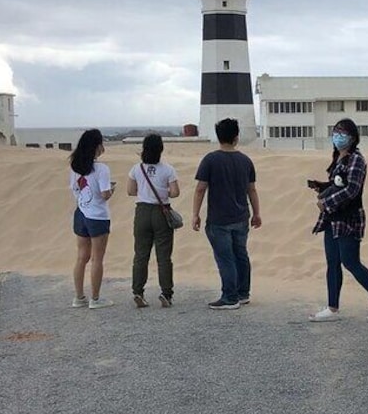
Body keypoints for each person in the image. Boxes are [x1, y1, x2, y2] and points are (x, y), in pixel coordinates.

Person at [308, 118, 368, 323]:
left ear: (353, 138)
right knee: (333, 262)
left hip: (348, 218)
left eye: (342, 133)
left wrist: (326, 202)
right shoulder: (339, 157)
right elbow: (338, 183)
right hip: (332, 219)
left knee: (350, 262)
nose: (338, 136)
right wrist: (322, 188)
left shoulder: (357, 159)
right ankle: (332, 307)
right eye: (335, 132)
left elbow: (352, 190)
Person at [192, 118, 262, 309]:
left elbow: (200, 189)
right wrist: (257, 213)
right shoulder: (245, 161)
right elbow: (252, 190)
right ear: (236, 138)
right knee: (241, 254)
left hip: (219, 219)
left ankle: (230, 297)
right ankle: (243, 293)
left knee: (225, 257)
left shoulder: (210, 159)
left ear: (218, 136)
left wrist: (195, 214)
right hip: (241, 217)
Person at [127, 134, 180, 308]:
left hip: (142, 211)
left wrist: (145, 190)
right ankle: (166, 294)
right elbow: (175, 192)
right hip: (161, 212)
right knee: (164, 256)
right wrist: (163, 190)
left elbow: (130, 191)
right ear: (161, 149)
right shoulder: (168, 169)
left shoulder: (136, 169)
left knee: (141, 255)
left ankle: (138, 292)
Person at [69, 129, 115, 309]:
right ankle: (95, 298)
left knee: (81, 257)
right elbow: (104, 194)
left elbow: (74, 190)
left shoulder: (74, 166)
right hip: (97, 216)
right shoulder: (101, 169)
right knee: (97, 258)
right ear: (96, 146)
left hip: (81, 213)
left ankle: (79, 297)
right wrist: (112, 190)